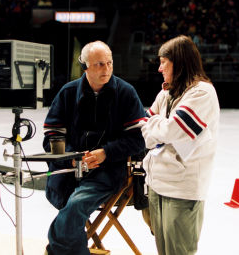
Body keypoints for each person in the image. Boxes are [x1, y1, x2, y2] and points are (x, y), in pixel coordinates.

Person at [42, 40, 146, 255]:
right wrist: (71, 158)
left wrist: (106, 153)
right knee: (69, 205)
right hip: (69, 170)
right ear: (85, 66)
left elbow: (138, 140)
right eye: (99, 64)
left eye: (109, 63)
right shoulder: (67, 93)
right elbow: (52, 136)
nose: (106, 69)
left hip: (108, 171)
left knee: (75, 206)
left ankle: (58, 251)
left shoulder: (126, 93)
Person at [141, 35, 220, 255]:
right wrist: (160, 127)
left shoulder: (201, 92)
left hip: (182, 189)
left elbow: (172, 130)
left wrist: (158, 126)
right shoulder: (166, 92)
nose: (159, 69)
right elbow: (146, 132)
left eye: (163, 63)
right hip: (157, 183)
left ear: (179, 62)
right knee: (163, 250)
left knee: (178, 251)